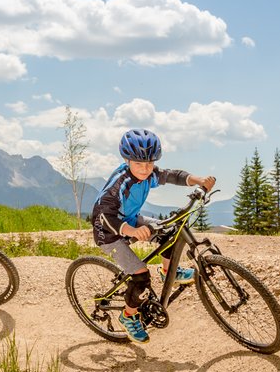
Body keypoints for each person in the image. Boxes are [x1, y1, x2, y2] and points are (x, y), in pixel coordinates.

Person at [90, 128, 215, 343]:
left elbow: (171, 175)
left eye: (149, 163)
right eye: (139, 164)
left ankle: (169, 272)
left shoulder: (149, 173)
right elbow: (103, 215)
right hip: (108, 232)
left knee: (169, 232)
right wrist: (132, 231)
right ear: (127, 160)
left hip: (129, 218)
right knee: (141, 276)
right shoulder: (119, 184)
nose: (146, 169)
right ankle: (128, 316)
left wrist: (199, 180)